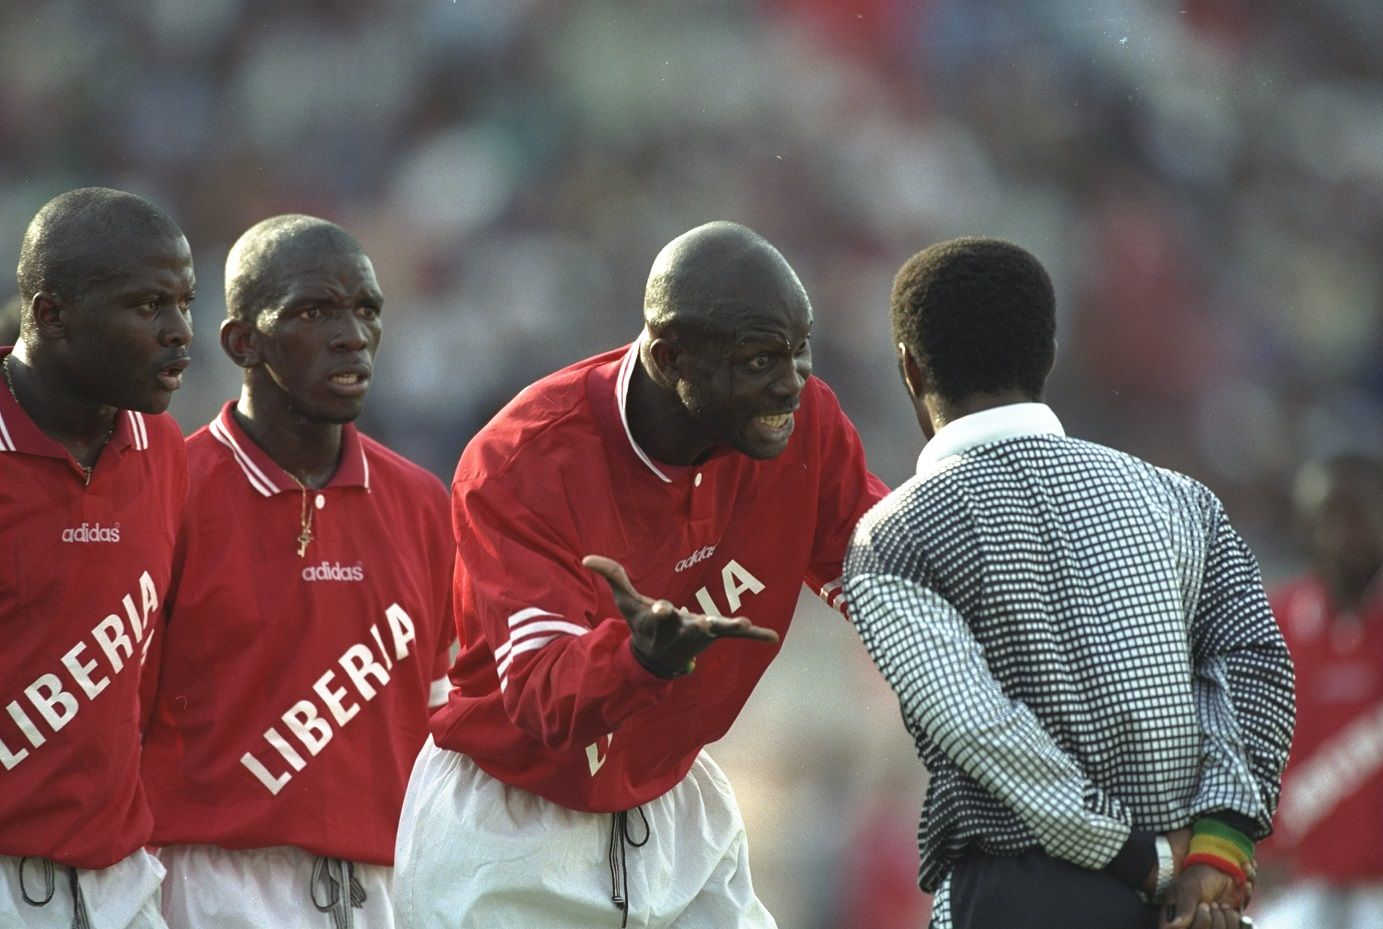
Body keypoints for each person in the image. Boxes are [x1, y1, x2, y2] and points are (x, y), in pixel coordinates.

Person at [392, 220, 888, 928]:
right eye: (757, 360)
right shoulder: (520, 460)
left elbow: (885, 568)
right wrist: (637, 659)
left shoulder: (799, 421)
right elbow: (542, 699)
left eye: (799, 349)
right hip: (510, 831)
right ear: (669, 354)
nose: (790, 382)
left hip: (673, 800)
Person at [842, 237, 1295, 929]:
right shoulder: (1178, 499)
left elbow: (981, 728)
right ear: (1048, 351)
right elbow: (1252, 664)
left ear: (908, 368)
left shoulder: (892, 537)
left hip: (1017, 893)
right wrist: (1215, 848)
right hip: (1189, 904)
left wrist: (1145, 857)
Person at [139, 215, 455, 929]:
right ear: (242, 341)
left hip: (390, 889)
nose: (352, 334)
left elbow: (439, 723)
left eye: (367, 310)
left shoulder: (422, 501)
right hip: (213, 885)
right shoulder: (167, 492)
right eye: (315, 311)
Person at [0, 187, 195, 929]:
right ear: (51, 315)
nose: (180, 331)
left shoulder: (164, 448)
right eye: (148, 306)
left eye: (184, 301)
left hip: (122, 882)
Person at [1252, 454, 1383, 929]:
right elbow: (1240, 745)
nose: (1343, 533)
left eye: (1358, 513)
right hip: (1294, 885)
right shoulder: (1272, 623)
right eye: (1329, 514)